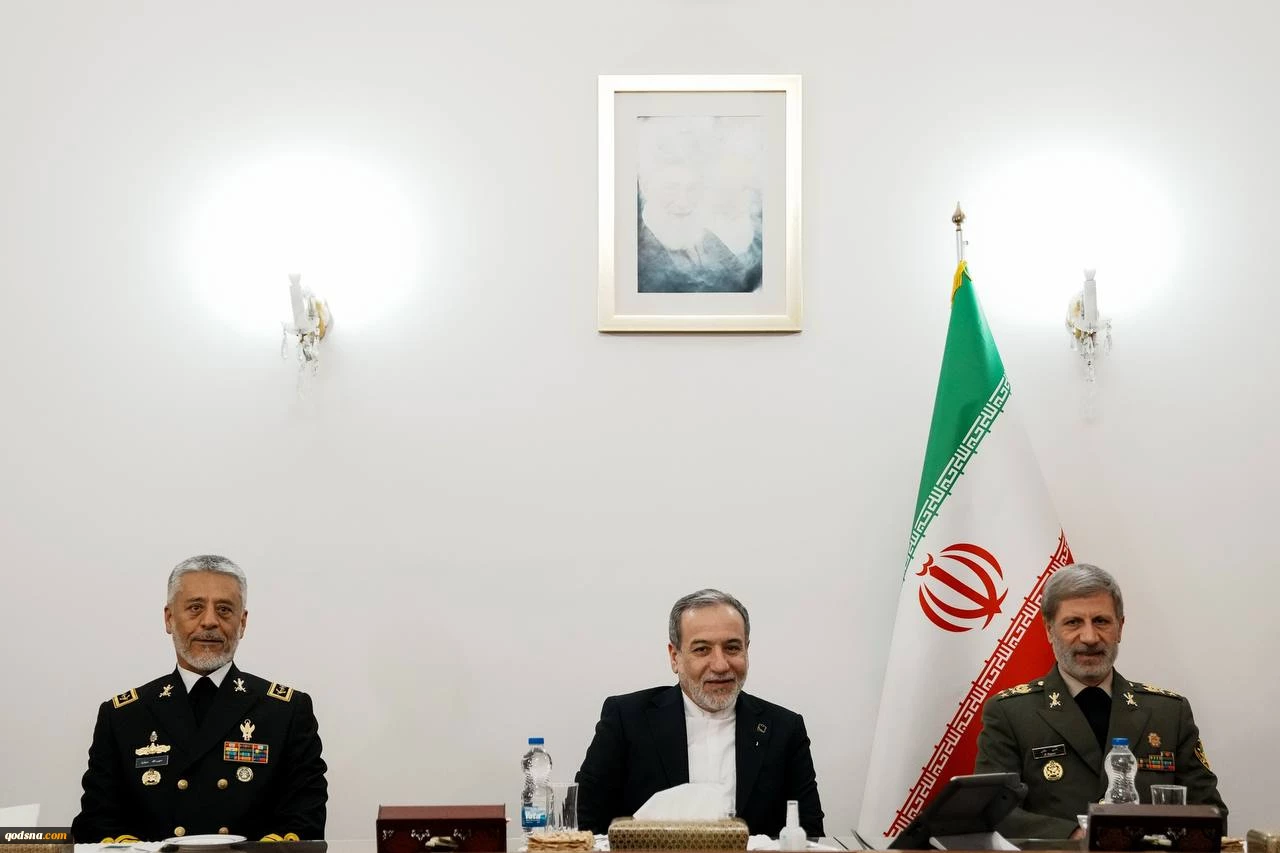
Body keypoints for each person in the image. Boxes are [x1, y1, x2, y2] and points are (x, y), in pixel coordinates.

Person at [72, 555, 327, 842]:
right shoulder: (122, 716)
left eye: (224, 610)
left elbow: (305, 824)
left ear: (242, 623)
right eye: (195, 608)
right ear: (169, 618)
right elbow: (96, 825)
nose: (209, 622)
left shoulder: (286, 712)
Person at [974, 563, 1227, 838]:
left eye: (1101, 621)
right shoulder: (1010, 713)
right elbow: (992, 812)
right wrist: (1076, 836)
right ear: (1049, 630)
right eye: (1073, 622)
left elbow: (1211, 813)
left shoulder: (1169, 713)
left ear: (1120, 628)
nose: (1090, 637)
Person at [575, 589, 824, 837]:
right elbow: (584, 824)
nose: (720, 665)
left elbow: (810, 834)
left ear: (746, 651)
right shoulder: (626, 719)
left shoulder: (784, 729)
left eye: (732, 648)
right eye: (702, 649)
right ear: (675, 657)